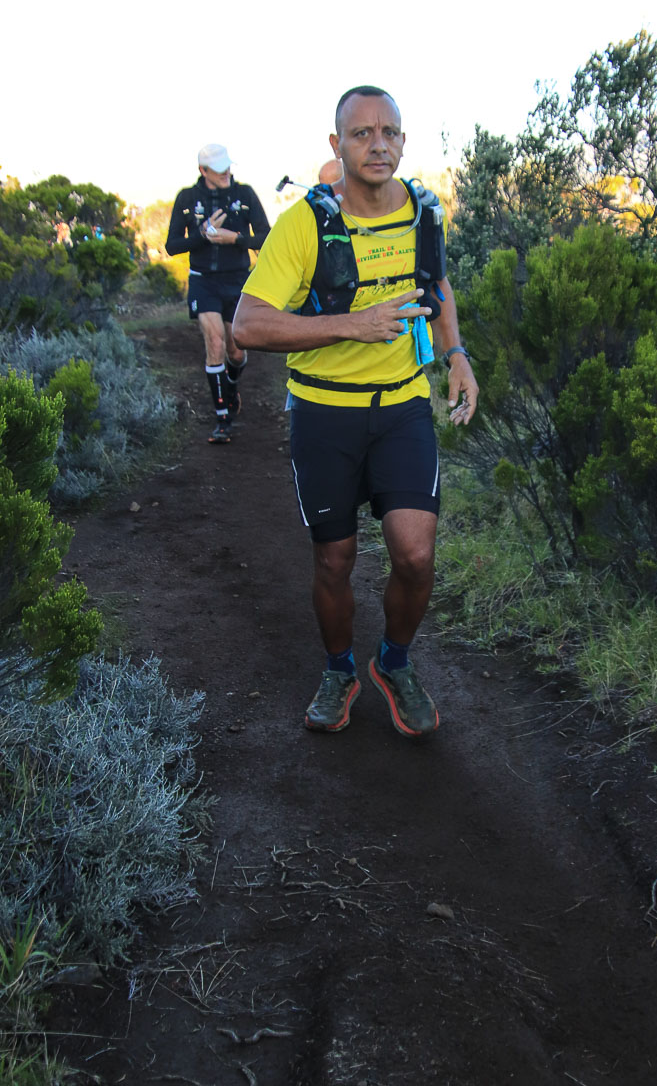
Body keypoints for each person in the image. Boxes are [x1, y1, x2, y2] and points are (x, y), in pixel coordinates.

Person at [233, 86, 478, 738]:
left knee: (415, 556)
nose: (377, 144)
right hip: (324, 413)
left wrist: (455, 353)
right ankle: (339, 669)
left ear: (403, 141)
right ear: (336, 144)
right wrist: (353, 324)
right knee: (334, 561)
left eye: (389, 132)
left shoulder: (423, 212)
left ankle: (392, 662)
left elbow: (436, 283)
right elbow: (247, 325)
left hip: (401, 407)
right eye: (362, 133)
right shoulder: (305, 224)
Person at [166, 143, 270, 443]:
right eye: (219, 169)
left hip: (237, 281)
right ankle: (222, 419)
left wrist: (235, 238)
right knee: (214, 342)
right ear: (203, 170)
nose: (226, 173)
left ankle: (231, 386)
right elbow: (172, 246)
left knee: (236, 351)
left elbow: (266, 237)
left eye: (227, 167)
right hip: (203, 281)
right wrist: (201, 235)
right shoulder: (187, 198)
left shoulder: (244, 194)